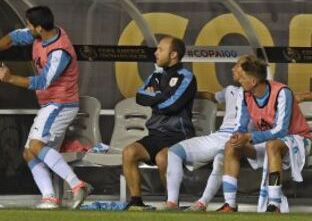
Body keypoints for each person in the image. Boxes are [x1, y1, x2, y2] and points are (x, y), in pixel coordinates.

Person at [0, 6, 92, 209]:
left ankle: (78, 185)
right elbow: (14, 36)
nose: (26, 28)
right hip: (49, 104)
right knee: (29, 153)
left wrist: (10, 78)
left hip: (61, 104)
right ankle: (50, 199)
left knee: (35, 146)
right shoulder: (42, 33)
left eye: (29, 25)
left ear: (39, 28)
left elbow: (43, 82)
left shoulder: (60, 51)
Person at [217, 55, 312, 213]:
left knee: (272, 145)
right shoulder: (244, 94)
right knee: (231, 146)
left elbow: (281, 130)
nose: (239, 81)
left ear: (252, 81)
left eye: (242, 78)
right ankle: (230, 204)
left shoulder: (282, 92)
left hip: (298, 140)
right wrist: (238, 135)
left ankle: (274, 204)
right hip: (268, 141)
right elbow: (241, 124)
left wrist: (249, 137)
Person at [122, 36, 197, 210]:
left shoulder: (187, 77)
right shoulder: (155, 75)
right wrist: (163, 95)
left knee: (164, 157)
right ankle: (136, 202)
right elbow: (140, 97)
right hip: (155, 134)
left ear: (173, 55)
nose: (155, 52)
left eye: (160, 50)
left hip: (179, 136)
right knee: (129, 152)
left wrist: (154, 96)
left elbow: (172, 106)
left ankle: (171, 202)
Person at [164, 56, 247, 211]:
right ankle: (172, 203)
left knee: (220, 161)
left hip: (241, 138)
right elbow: (213, 97)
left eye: (238, 66)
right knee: (174, 152)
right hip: (219, 135)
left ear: (249, 71)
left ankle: (203, 203)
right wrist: (187, 93)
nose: (233, 68)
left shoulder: (261, 93)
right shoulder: (230, 90)